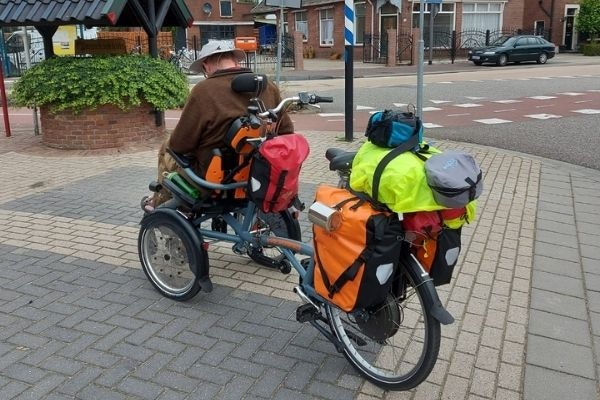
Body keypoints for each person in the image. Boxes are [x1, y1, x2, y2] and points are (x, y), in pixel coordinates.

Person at [148, 40, 294, 208]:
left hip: (214, 179)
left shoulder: (204, 90)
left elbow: (180, 144)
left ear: (206, 65)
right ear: (235, 60)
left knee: (167, 149)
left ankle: (160, 206)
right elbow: (286, 132)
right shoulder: (268, 86)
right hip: (259, 174)